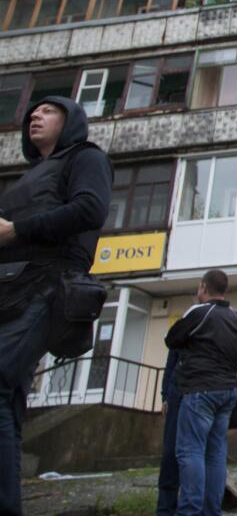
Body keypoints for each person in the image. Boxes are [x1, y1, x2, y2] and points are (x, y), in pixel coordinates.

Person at [0, 97, 112, 516]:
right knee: (7, 399)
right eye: (32, 111)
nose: (34, 115)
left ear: (71, 121)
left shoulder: (86, 158)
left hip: (48, 286)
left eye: (47, 110)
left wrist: (17, 231)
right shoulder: (31, 176)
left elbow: (90, 208)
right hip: (13, 290)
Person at [165, 270, 237, 516]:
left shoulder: (198, 313)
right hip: (227, 394)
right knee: (215, 454)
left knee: (190, 451)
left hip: (200, 391)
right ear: (225, 290)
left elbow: (172, 340)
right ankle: (211, 511)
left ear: (203, 287)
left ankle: (189, 510)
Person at [157, 349, 183, 515]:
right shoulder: (182, 325)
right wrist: (165, 395)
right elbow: (170, 364)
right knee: (170, 454)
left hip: (201, 389)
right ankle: (166, 508)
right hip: (178, 392)